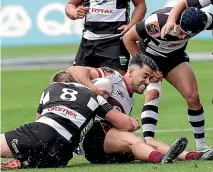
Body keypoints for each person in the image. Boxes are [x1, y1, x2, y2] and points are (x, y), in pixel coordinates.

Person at [67, 54, 213, 164]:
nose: (147, 82)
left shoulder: (129, 98)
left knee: (150, 142)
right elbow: (74, 70)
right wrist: (93, 88)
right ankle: (162, 159)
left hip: (105, 145)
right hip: (92, 137)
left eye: (149, 78)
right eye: (145, 76)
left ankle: (194, 156)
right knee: (135, 141)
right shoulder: (114, 77)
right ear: (130, 72)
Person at [0, 70, 140, 170]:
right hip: (64, 153)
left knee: (33, 142)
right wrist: (134, 123)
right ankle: (23, 163)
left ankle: (24, 159)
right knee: (48, 157)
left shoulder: (52, 87)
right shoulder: (93, 96)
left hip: (44, 130)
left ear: (57, 82)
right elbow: (126, 124)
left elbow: (39, 119)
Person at [122, 7, 213, 152]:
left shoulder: (204, 19)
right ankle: (149, 144)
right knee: (153, 94)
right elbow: (128, 38)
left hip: (174, 57)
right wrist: (147, 67)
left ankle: (202, 146)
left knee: (193, 96)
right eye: (181, 32)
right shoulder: (157, 22)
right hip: (149, 55)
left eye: (188, 35)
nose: (183, 37)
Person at [65, 0, 147, 75]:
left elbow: (140, 5)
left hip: (115, 41)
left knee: (115, 81)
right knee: (78, 79)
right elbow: (71, 4)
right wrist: (74, 12)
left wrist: (131, 24)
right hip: (88, 41)